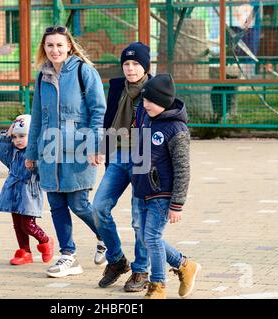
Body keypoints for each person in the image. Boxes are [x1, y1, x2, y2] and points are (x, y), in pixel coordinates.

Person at [25, 26, 107, 278]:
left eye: (59, 45)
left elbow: (98, 111)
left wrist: (96, 146)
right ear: (44, 48)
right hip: (49, 150)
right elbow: (37, 117)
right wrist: (31, 152)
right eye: (50, 45)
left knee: (79, 204)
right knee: (57, 204)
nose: (55, 50)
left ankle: (106, 236)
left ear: (69, 46)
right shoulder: (43, 76)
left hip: (78, 147)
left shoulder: (84, 71)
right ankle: (68, 255)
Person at [132, 74, 201, 299]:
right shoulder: (147, 118)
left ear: (163, 100)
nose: (145, 105)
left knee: (151, 238)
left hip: (163, 194)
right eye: (144, 101)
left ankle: (158, 285)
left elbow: (183, 169)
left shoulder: (176, 129)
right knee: (146, 238)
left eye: (150, 101)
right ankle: (185, 265)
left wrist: (177, 204)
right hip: (143, 192)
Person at [93, 42, 152, 292]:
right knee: (99, 208)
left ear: (146, 66)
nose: (130, 68)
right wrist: (101, 147)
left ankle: (141, 271)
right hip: (117, 155)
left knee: (139, 219)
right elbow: (109, 119)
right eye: (126, 64)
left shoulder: (155, 87)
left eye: (136, 63)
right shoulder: (117, 86)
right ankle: (117, 260)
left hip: (143, 157)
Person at [0, 114, 54, 266]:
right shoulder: (13, 152)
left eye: (22, 136)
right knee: (17, 225)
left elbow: (44, 171)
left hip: (29, 192)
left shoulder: (37, 153)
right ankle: (25, 251)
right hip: (13, 190)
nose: (17, 140)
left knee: (27, 225)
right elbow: (1, 154)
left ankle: (45, 241)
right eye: (14, 137)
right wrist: (6, 137)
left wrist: (34, 165)